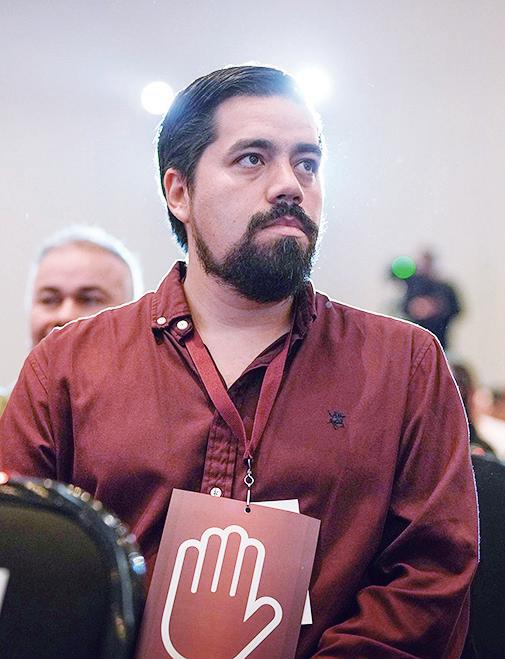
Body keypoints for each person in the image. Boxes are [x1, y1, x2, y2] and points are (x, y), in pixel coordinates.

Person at [0, 66, 478, 657]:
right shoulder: (67, 366)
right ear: (179, 192)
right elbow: (24, 563)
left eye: (307, 163)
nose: (290, 185)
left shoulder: (405, 366)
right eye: (253, 159)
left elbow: (430, 576)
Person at [0, 225, 143, 414]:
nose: (65, 316)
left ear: (133, 318)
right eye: (49, 300)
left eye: (89, 299)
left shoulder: (163, 418)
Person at [398, 250, 461, 350]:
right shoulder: (414, 286)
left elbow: (457, 309)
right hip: (415, 342)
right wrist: (414, 308)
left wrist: (437, 307)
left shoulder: (445, 287)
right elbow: (403, 308)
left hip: (440, 340)